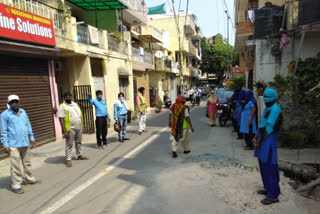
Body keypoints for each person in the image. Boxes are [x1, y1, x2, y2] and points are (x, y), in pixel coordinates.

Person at [0, 95, 40, 194]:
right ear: (9, 104)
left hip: (25, 142)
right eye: (12, 102)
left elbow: (28, 125)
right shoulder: (4, 115)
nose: (14, 103)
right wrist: (6, 145)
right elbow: (3, 131)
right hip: (13, 145)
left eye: (16, 101)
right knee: (15, 166)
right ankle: (16, 185)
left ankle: (29, 178)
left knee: (27, 163)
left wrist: (32, 138)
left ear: (19, 102)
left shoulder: (23, 112)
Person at [253, 88, 282, 205]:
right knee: (263, 165)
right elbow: (262, 124)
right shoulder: (268, 108)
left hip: (268, 140)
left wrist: (259, 140)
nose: (265, 99)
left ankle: (273, 195)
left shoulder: (275, 110)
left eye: (267, 97)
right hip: (262, 138)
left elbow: (269, 128)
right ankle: (268, 188)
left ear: (274, 98)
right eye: (264, 96)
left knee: (270, 166)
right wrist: (256, 136)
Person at [58, 92, 88, 167]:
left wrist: (82, 126)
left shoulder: (75, 104)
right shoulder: (62, 106)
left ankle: (79, 155)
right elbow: (61, 119)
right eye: (67, 97)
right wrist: (64, 131)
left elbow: (79, 115)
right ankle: (68, 159)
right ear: (64, 98)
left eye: (70, 96)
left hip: (79, 127)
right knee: (69, 144)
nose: (69, 98)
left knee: (79, 142)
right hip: (70, 129)